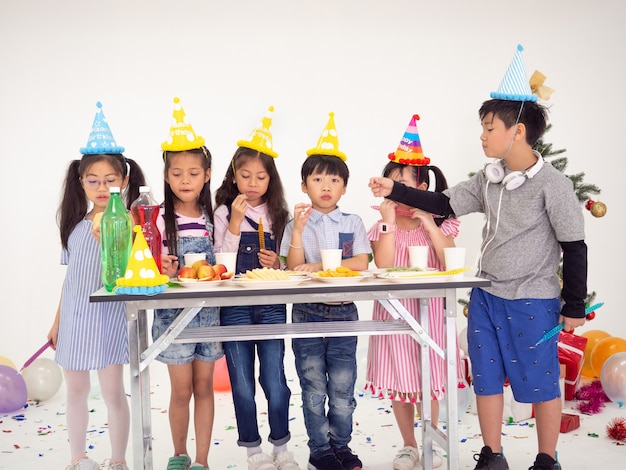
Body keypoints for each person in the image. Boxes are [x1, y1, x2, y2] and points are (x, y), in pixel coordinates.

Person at [369, 46, 587, 470]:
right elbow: (441, 203)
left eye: (489, 128)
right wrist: (393, 190)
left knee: (540, 381)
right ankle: (493, 454)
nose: (482, 136)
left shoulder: (554, 185)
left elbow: (574, 245)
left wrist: (573, 305)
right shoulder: (488, 180)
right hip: (485, 296)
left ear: (517, 130)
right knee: (486, 377)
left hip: (531, 298)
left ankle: (546, 459)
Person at [48, 102, 147, 470]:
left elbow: (130, 267)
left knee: (111, 392)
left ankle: (118, 459)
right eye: (93, 180)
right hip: (76, 317)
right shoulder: (74, 224)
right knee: (74, 392)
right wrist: (57, 321)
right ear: (81, 182)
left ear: (124, 181)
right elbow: (70, 277)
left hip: (108, 316)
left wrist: (113, 231)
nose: (101, 187)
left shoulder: (129, 220)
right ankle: (78, 457)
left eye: (110, 180)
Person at [366, 115, 467, 470]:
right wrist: (389, 221)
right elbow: (384, 263)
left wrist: (427, 219)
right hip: (395, 312)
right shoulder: (382, 224)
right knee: (400, 380)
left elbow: (448, 259)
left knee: (429, 379)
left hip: (431, 314)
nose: (398, 193)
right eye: (392, 186)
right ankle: (409, 444)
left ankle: (431, 436)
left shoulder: (441, 221)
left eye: (405, 186)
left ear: (422, 187)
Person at [280, 113, 371, 470]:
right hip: (307, 311)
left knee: (343, 388)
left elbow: (361, 262)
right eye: (317, 179)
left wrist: (319, 268)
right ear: (305, 185)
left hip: (344, 309)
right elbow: (291, 266)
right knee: (314, 387)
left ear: (345, 187)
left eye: (334, 179)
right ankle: (320, 450)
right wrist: (299, 230)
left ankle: (341, 446)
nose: (326, 185)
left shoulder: (352, 223)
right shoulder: (296, 223)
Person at [213, 107, 299, 470]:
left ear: (270, 179)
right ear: (234, 176)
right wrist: (234, 221)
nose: (252, 183)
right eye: (245, 175)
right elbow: (222, 263)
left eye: (260, 177)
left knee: (275, 379)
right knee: (243, 382)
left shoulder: (279, 214)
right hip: (233, 305)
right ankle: (253, 450)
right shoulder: (222, 212)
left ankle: (281, 446)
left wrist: (274, 264)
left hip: (271, 303)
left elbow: (287, 264)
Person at [154, 98, 223, 470]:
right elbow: (147, 265)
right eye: (177, 173)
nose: (185, 180)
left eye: (193, 173)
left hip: (208, 315)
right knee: (180, 391)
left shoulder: (214, 218)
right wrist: (162, 267)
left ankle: (201, 459)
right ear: (167, 176)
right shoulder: (160, 218)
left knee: (204, 387)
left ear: (206, 175)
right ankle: (179, 455)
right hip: (173, 315)